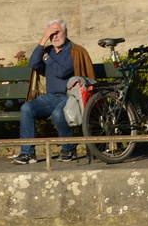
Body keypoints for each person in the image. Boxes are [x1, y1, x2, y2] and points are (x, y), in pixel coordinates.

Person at [13, 19, 93, 165]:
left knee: (58, 113)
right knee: (27, 108)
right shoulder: (48, 50)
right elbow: (33, 64)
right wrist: (43, 40)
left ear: (66, 32)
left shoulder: (73, 51)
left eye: (57, 33)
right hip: (50, 97)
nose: (54, 37)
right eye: (51, 34)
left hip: (70, 97)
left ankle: (68, 148)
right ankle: (27, 153)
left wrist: (47, 59)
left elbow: (62, 72)